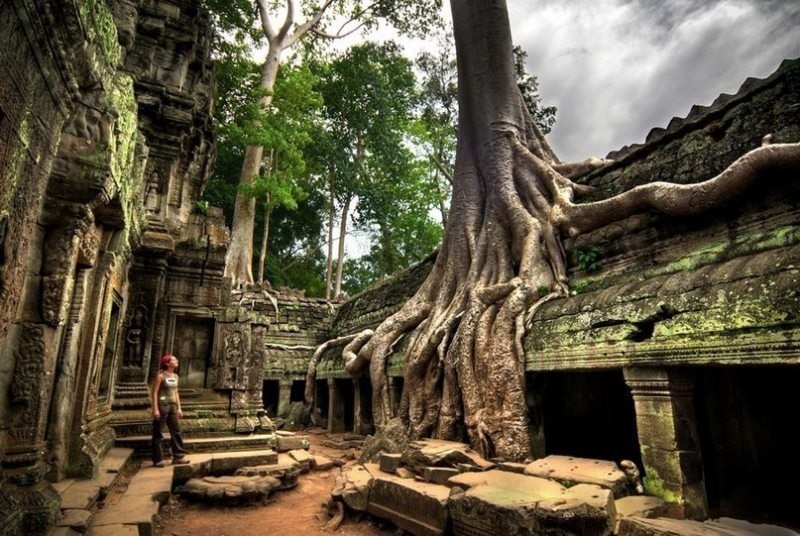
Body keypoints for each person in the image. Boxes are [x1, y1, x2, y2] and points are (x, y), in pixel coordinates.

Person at [151, 354, 189, 466]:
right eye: (173, 360)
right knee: (158, 432)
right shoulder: (161, 376)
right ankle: (158, 459)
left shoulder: (176, 376)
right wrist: (155, 409)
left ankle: (178, 456)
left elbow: (176, 392)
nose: (176, 361)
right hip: (162, 405)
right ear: (167, 363)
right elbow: (154, 393)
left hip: (172, 406)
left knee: (176, 431)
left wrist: (179, 408)